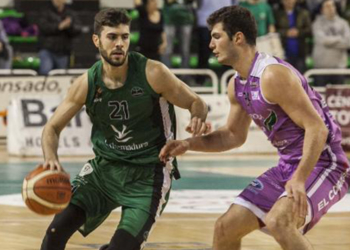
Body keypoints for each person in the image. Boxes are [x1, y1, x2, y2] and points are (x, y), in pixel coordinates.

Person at [160, 5, 350, 250]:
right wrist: (188, 144)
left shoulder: (272, 75)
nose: (210, 45)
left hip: (325, 163)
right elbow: (232, 136)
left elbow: (317, 129)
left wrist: (300, 179)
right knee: (225, 228)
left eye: (216, 36)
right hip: (288, 165)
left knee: (279, 222)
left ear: (238, 38)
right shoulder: (236, 85)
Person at [39, 8, 208, 250]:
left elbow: (196, 102)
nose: (120, 44)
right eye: (112, 37)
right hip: (104, 171)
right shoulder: (87, 83)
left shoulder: (153, 73)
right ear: (96, 40)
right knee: (54, 235)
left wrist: (197, 117)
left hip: (149, 174)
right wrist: (51, 159)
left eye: (125, 37)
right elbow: (51, 128)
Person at [312, 0, 350, 86]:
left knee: (338, 98)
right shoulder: (317, 23)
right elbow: (322, 41)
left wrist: (329, 42)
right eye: (327, 6)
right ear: (322, 10)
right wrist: (340, 38)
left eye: (332, 5)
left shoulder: (343, 23)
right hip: (320, 68)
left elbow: (348, 42)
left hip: (339, 68)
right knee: (319, 98)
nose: (331, 8)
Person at [37, 0, 81, 75]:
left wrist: (69, 26)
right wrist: (59, 27)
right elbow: (43, 27)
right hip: (47, 49)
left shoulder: (70, 14)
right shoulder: (45, 12)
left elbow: (78, 29)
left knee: (61, 75)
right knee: (45, 71)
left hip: (63, 51)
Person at [274, 0, 311, 73]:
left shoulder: (303, 13)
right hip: (282, 54)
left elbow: (309, 31)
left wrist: (299, 32)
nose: (289, 1)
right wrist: (286, 33)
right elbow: (274, 31)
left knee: (300, 80)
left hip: (300, 53)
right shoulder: (277, 14)